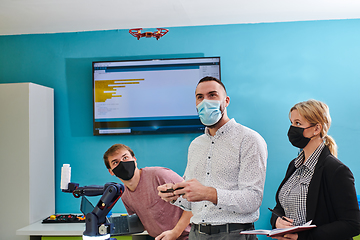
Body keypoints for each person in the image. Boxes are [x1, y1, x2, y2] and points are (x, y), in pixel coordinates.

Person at [157, 76, 268, 240]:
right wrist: (175, 196)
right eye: (200, 97)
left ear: (226, 100)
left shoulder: (249, 139)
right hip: (196, 234)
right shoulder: (195, 145)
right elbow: (192, 203)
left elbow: (252, 200)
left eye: (212, 95)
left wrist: (209, 193)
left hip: (233, 235)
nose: (205, 101)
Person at [270, 99, 360, 240]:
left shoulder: (336, 170)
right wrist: (277, 221)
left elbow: (352, 224)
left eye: (298, 123)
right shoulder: (293, 165)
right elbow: (280, 207)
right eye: (292, 123)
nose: (292, 128)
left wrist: (302, 238)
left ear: (317, 129)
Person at [103, 143, 192, 240]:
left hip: (187, 237)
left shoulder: (159, 175)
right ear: (111, 171)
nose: (122, 164)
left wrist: (175, 232)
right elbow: (141, 220)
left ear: (134, 160)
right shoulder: (124, 193)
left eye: (125, 158)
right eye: (115, 162)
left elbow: (193, 201)